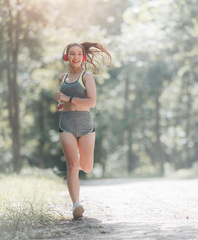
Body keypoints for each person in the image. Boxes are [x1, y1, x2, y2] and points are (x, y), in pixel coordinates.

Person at [55, 42, 111, 219]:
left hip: (85, 124)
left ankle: (79, 158)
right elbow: (64, 101)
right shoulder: (62, 78)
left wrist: (68, 98)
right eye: (72, 54)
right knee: (72, 165)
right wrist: (61, 103)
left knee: (86, 167)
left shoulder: (87, 77)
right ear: (66, 56)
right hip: (66, 123)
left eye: (79, 54)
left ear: (83, 56)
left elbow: (91, 102)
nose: (76, 57)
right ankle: (76, 205)